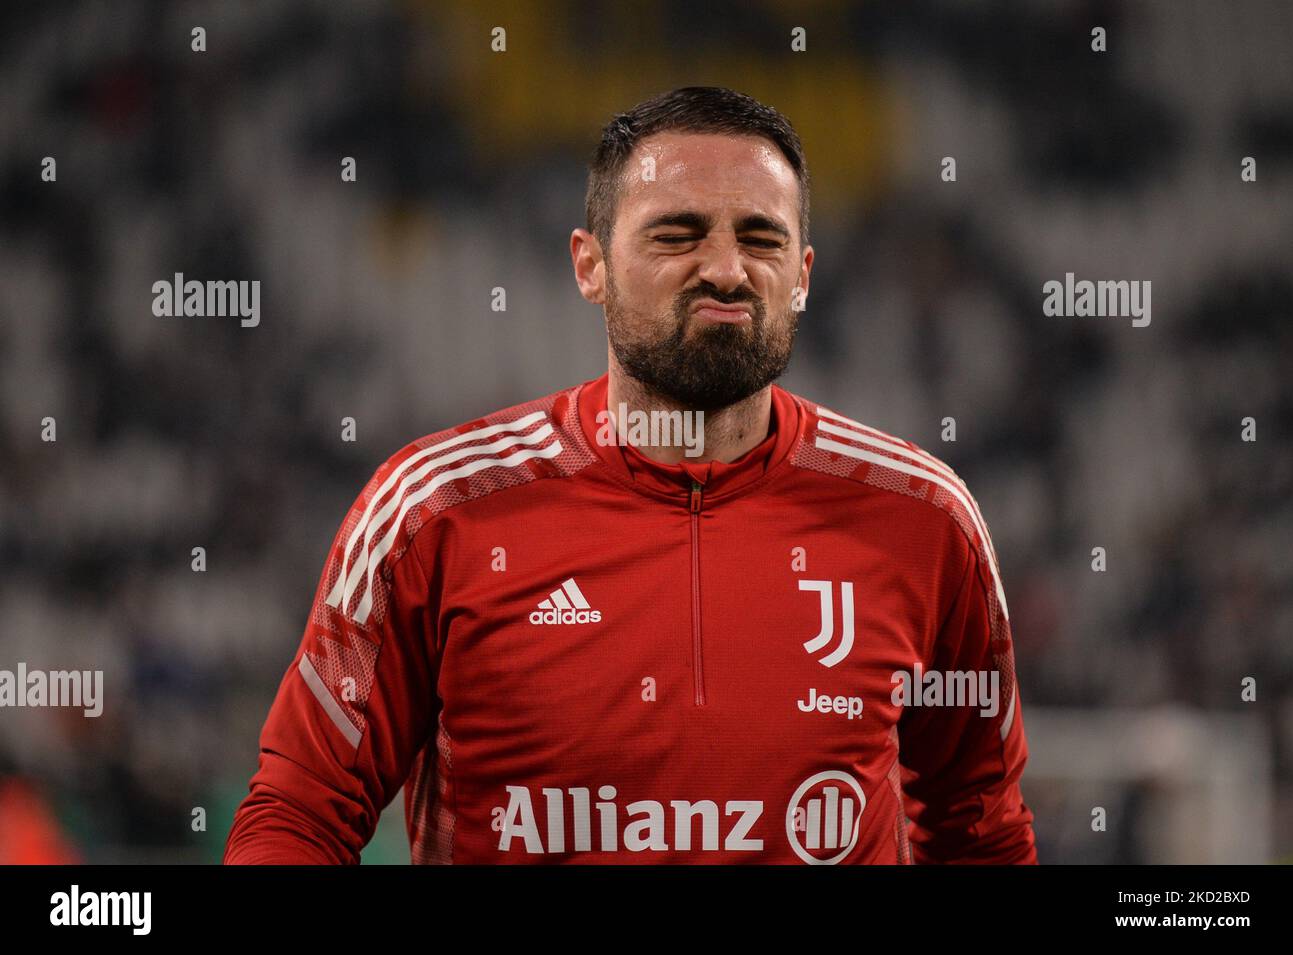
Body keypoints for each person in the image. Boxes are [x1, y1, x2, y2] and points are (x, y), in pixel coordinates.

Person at [224, 86, 1036, 864]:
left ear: (804, 275)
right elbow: (301, 809)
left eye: (761, 238)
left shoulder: (925, 519)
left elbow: (981, 833)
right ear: (591, 265)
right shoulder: (434, 509)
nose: (726, 269)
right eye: (676, 234)